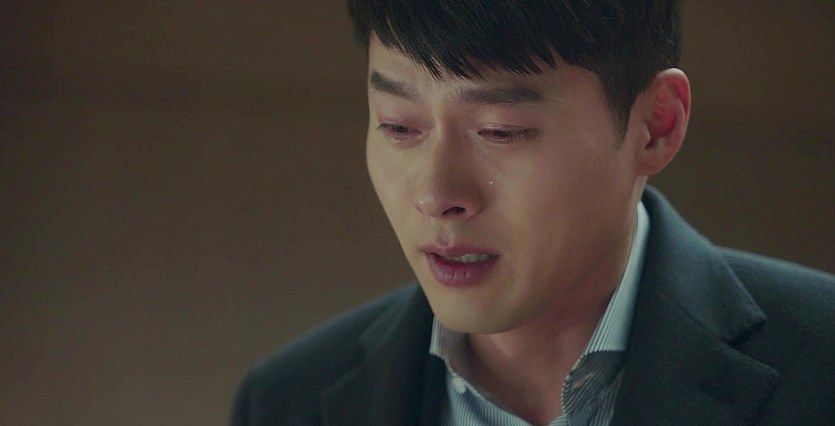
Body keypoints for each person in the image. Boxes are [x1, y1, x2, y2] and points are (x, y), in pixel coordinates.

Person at [231, 1, 835, 424]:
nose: (437, 194)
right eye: (399, 126)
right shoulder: (286, 402)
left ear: (656, 125)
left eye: (500, 131)